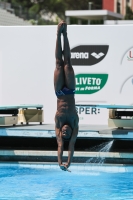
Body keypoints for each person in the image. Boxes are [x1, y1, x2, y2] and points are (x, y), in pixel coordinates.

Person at [54, 21, 79, 171]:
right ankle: (65, 34)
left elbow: (60, 145)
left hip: (59, 92)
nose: (64, 131)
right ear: (70, 132)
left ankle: (58, 34)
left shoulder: (58, 126)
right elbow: (70, 145)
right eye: (66, 132)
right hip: (70, 91)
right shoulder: (75, 124)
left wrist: (60, 163)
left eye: (63, 133)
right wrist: (68, 161)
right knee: (67, 64)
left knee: (58, 63)